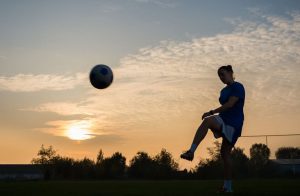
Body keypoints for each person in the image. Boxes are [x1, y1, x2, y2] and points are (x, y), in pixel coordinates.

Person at [180, 65, 245, 193]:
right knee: (209, 124)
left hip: (234, 124)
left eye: (223, 74)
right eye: (219, 75)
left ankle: (228, 187)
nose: (221, 77)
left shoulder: (238, 87)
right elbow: (225, 105)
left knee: (225, 153)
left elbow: (230, 104)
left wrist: (211, 112)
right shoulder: (223, 91)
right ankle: (191, 152)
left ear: (231, 73)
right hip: (223, 119)